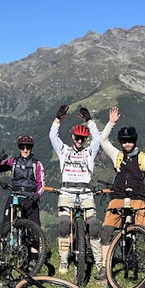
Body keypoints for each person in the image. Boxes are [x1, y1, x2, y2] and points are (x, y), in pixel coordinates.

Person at [98, 106, 145, 277]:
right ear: (121, 142)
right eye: (124, 141)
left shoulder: (144, 158)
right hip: (118, 197)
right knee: (106, 230)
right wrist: (111, 123)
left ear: (135, 141)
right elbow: (103, 140)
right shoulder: (117, 155)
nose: (127, 144)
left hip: (138, 198)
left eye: (130, 141)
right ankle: (105, 266)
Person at [49, 104, 103, 276]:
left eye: (83, 139)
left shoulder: (89, 152)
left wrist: (89, 121)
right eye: (77, 138)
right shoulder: (64, 151)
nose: (80, 141)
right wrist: (57, 119)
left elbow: (98, 139)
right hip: (66, 193)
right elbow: (52, 136)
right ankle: (64, 260)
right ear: (73, 137)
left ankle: (99, 264)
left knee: (93, 227)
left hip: (86, 194)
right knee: (64, 226)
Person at [0, 133, 45, 227]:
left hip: (30, 197)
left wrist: (37, 195)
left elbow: (41, 184)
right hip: (15, 195)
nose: (25, 150)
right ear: (19, 148)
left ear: (31, 148)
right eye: (22, 147)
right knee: (6, 223)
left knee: (35, 227)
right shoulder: (13, 162)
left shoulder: (37, 164)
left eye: (28, 147)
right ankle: (5, 235)